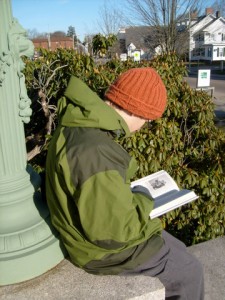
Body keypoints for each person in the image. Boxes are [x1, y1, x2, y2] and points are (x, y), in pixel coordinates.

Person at [46, 67, 204, 299]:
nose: (145, 126)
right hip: (99, 252)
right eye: (149, 120)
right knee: (190, 271)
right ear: (139, 112)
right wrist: (144, 199)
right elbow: (114, 234)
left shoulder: (80, 124)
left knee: (178, 249)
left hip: (89, 236)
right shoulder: (96, 151)